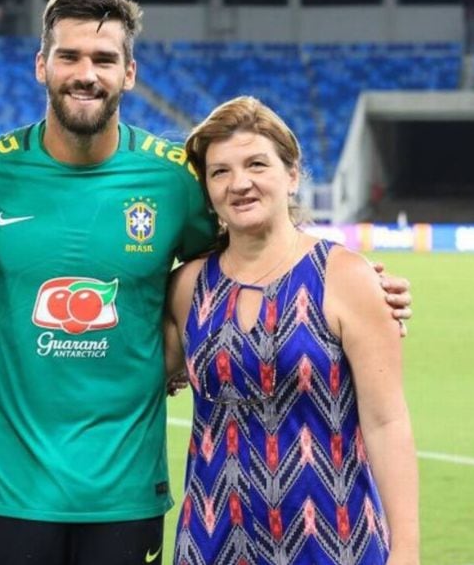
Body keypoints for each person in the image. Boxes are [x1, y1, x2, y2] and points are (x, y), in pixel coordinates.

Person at [0, 0, 414, 565]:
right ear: (42, 64)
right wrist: (3, 337)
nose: (86, 73)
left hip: (124, 492)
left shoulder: (172, 180)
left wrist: (358, 283)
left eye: (104, 59)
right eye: (69, 56)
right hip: (7, 486)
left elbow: (249, 254)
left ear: (130, 72)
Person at [164, 96, 419, 564]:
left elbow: (387, 422)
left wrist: (405, 551)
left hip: (332, 541)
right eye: (220, 172)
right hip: (211, 541)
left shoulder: (345, 277)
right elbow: (134, 372)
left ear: (292, 174)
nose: (239, 183)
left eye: (256, 164)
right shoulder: (187, 287)